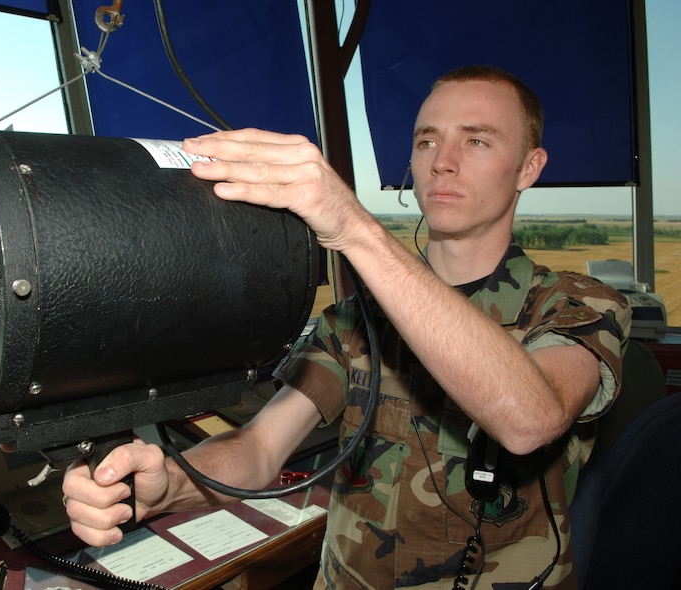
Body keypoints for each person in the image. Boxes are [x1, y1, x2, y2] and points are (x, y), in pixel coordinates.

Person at [61, 65, 631, 589]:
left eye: (476, 140)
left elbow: (529, 418)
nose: (443, 161)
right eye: (426, 140)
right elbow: (260, 448)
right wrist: (169, 484)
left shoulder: (578, 304)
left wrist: (356, 228)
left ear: (529, 167)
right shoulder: (357, 322)